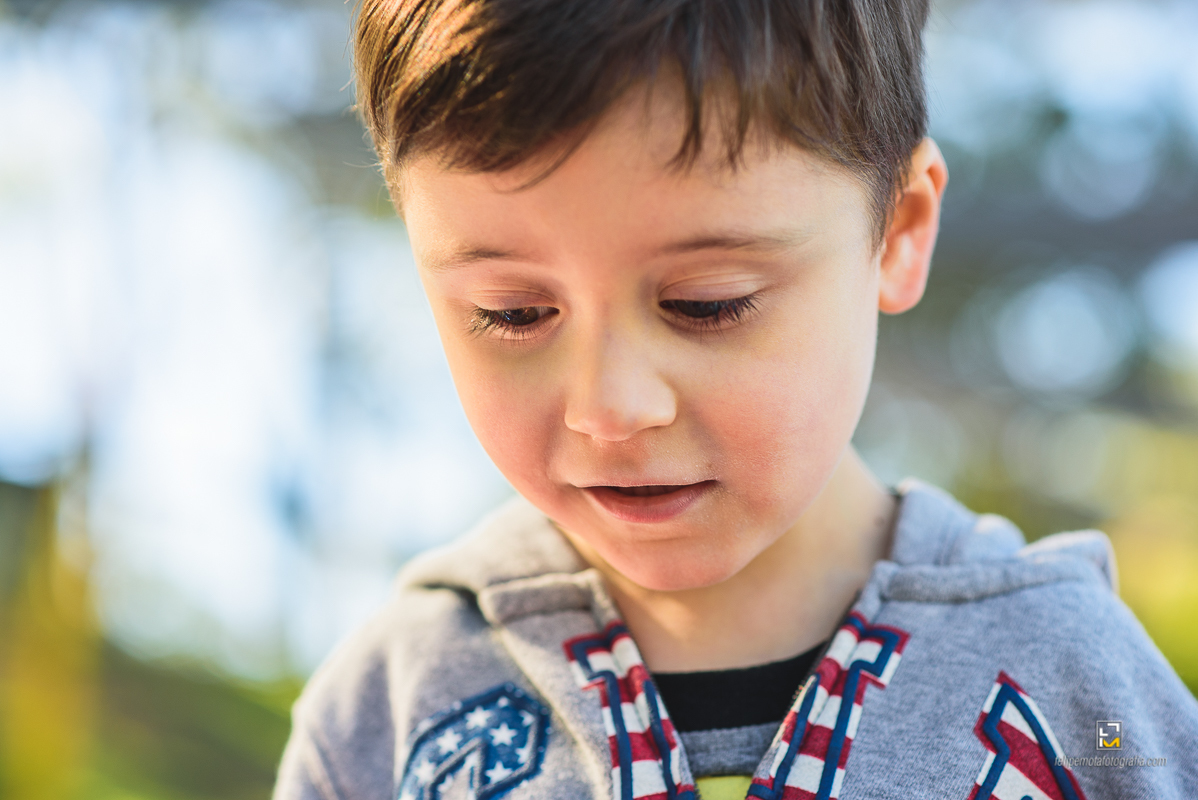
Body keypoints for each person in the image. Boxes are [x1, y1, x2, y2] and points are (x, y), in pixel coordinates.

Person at [274, 1, 1198, 798]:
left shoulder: (1086, 698)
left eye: (706, 303)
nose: (610, 408)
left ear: (898, 232)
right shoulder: (387, 711)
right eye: (514, 313)